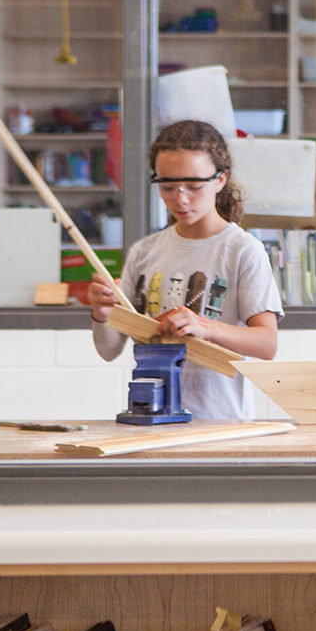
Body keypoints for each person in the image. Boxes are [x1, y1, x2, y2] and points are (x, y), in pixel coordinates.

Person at [87, 120, 282, 419]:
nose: (180, 198)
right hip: (151, 419)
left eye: (193, 186)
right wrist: (101, 314)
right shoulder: (144, 252)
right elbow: (109, 350)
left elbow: (267, 344)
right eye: (167, 186)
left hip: (220, 424)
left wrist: (206, 327)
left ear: (220, 180)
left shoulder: (242, 250)